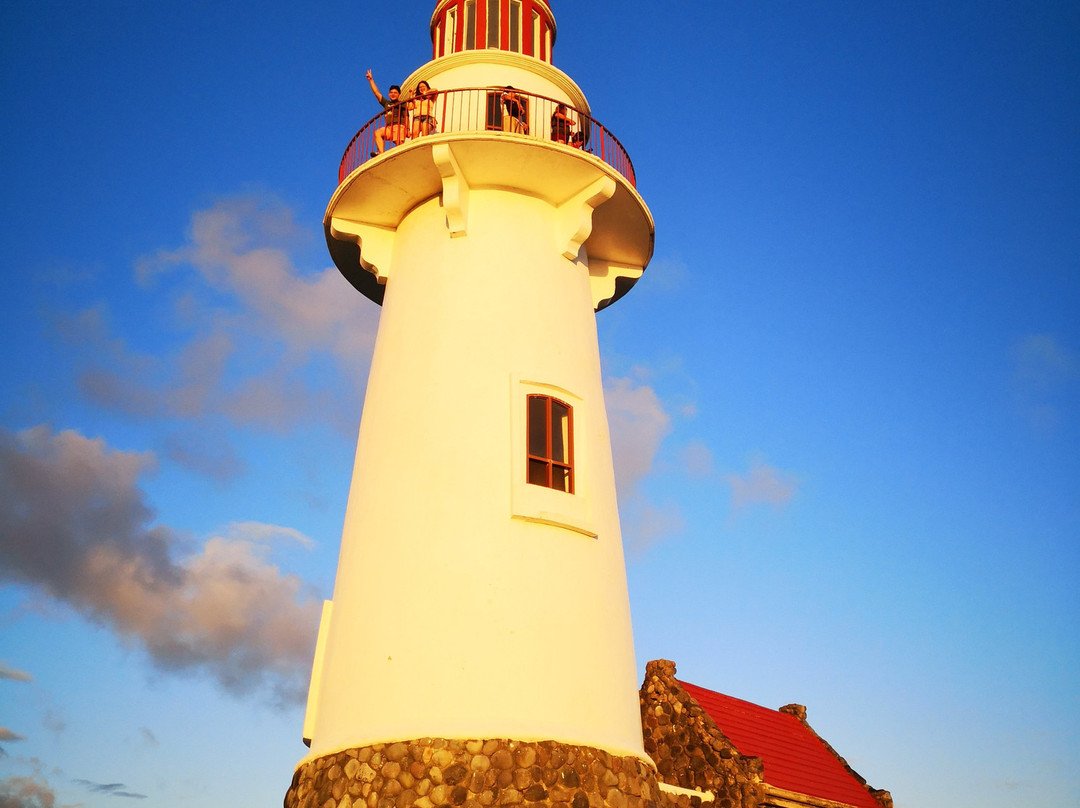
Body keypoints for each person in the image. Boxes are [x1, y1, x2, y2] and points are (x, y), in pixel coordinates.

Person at [366, 69, 409, 155]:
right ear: (389, 94)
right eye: (391, 92)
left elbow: (406, 116)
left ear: (399, 94)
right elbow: (376, 93)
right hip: (389, 127)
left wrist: (407, 129)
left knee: (399, 147)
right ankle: (381, 153)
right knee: (378, 132)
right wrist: (371, 80)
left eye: (395, 93)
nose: (393, 94)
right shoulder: (386, 103)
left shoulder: (402, 103)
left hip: (399, 126)